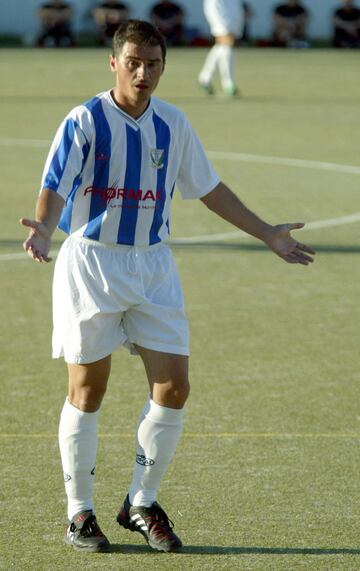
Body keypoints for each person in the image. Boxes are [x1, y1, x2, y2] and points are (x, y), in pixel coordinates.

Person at [20, 19, 315, 554]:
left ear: (162, 67)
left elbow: (209, 188)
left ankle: (139, 501)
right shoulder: (84, 120)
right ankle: (78, 513)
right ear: (114, 62)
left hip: (153, 267)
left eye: (153, 64)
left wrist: (267, 233)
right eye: (133, 61)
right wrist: (43, 228)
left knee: (173, 386)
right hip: (93, 265)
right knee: (88, 391)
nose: (143, 72)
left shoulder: (172, 124)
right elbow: (54, 185)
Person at [198, 0, 245, 97]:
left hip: (233, 21)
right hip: (221, 19)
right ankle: (228, 84)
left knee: (221, 48)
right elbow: (212, 7)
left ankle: (204, 78)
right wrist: (221, 25)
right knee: (227, 46)